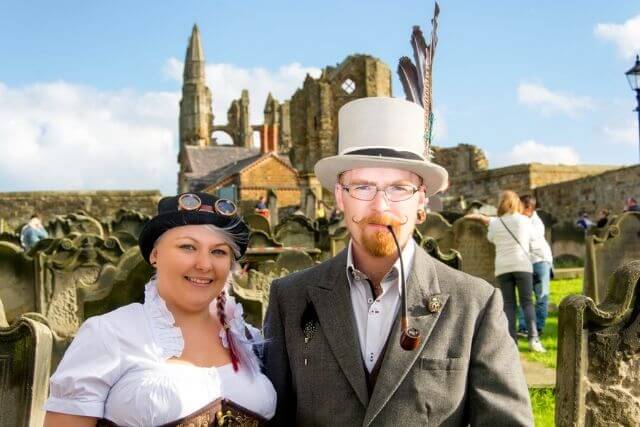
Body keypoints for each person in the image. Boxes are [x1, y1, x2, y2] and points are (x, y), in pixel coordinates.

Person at [263, 97, 533, 426]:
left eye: (399, 188)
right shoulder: (290, 298)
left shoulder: (476, 304)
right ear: (339, 197)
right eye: (362, 186)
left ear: (422, 201)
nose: (380, 206)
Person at [44, 193, 276, 426]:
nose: (204, 265)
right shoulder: (107, 334)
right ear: (155, 255)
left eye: (218, 252)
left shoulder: (249, 339)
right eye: (187, 247)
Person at [483, 191, 545, 353]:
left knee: (509, 305)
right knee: (527, 302)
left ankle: (512, 342)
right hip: (522, 265)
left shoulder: (496, 223)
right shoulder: (524, 220)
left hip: (503, 267)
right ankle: (533, 339)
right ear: (517, 203)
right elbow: (534, 238)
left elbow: (491, 238)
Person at [516, 195, 553, 337]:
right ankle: (524, 328)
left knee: (541, 296)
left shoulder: (536, 223)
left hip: (540, 261)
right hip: (526, 262)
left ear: (529, 208)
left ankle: (538, 327)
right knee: (525, 296)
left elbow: (527, 240)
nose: (517, 209)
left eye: (520, 207)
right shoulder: (520, 220)